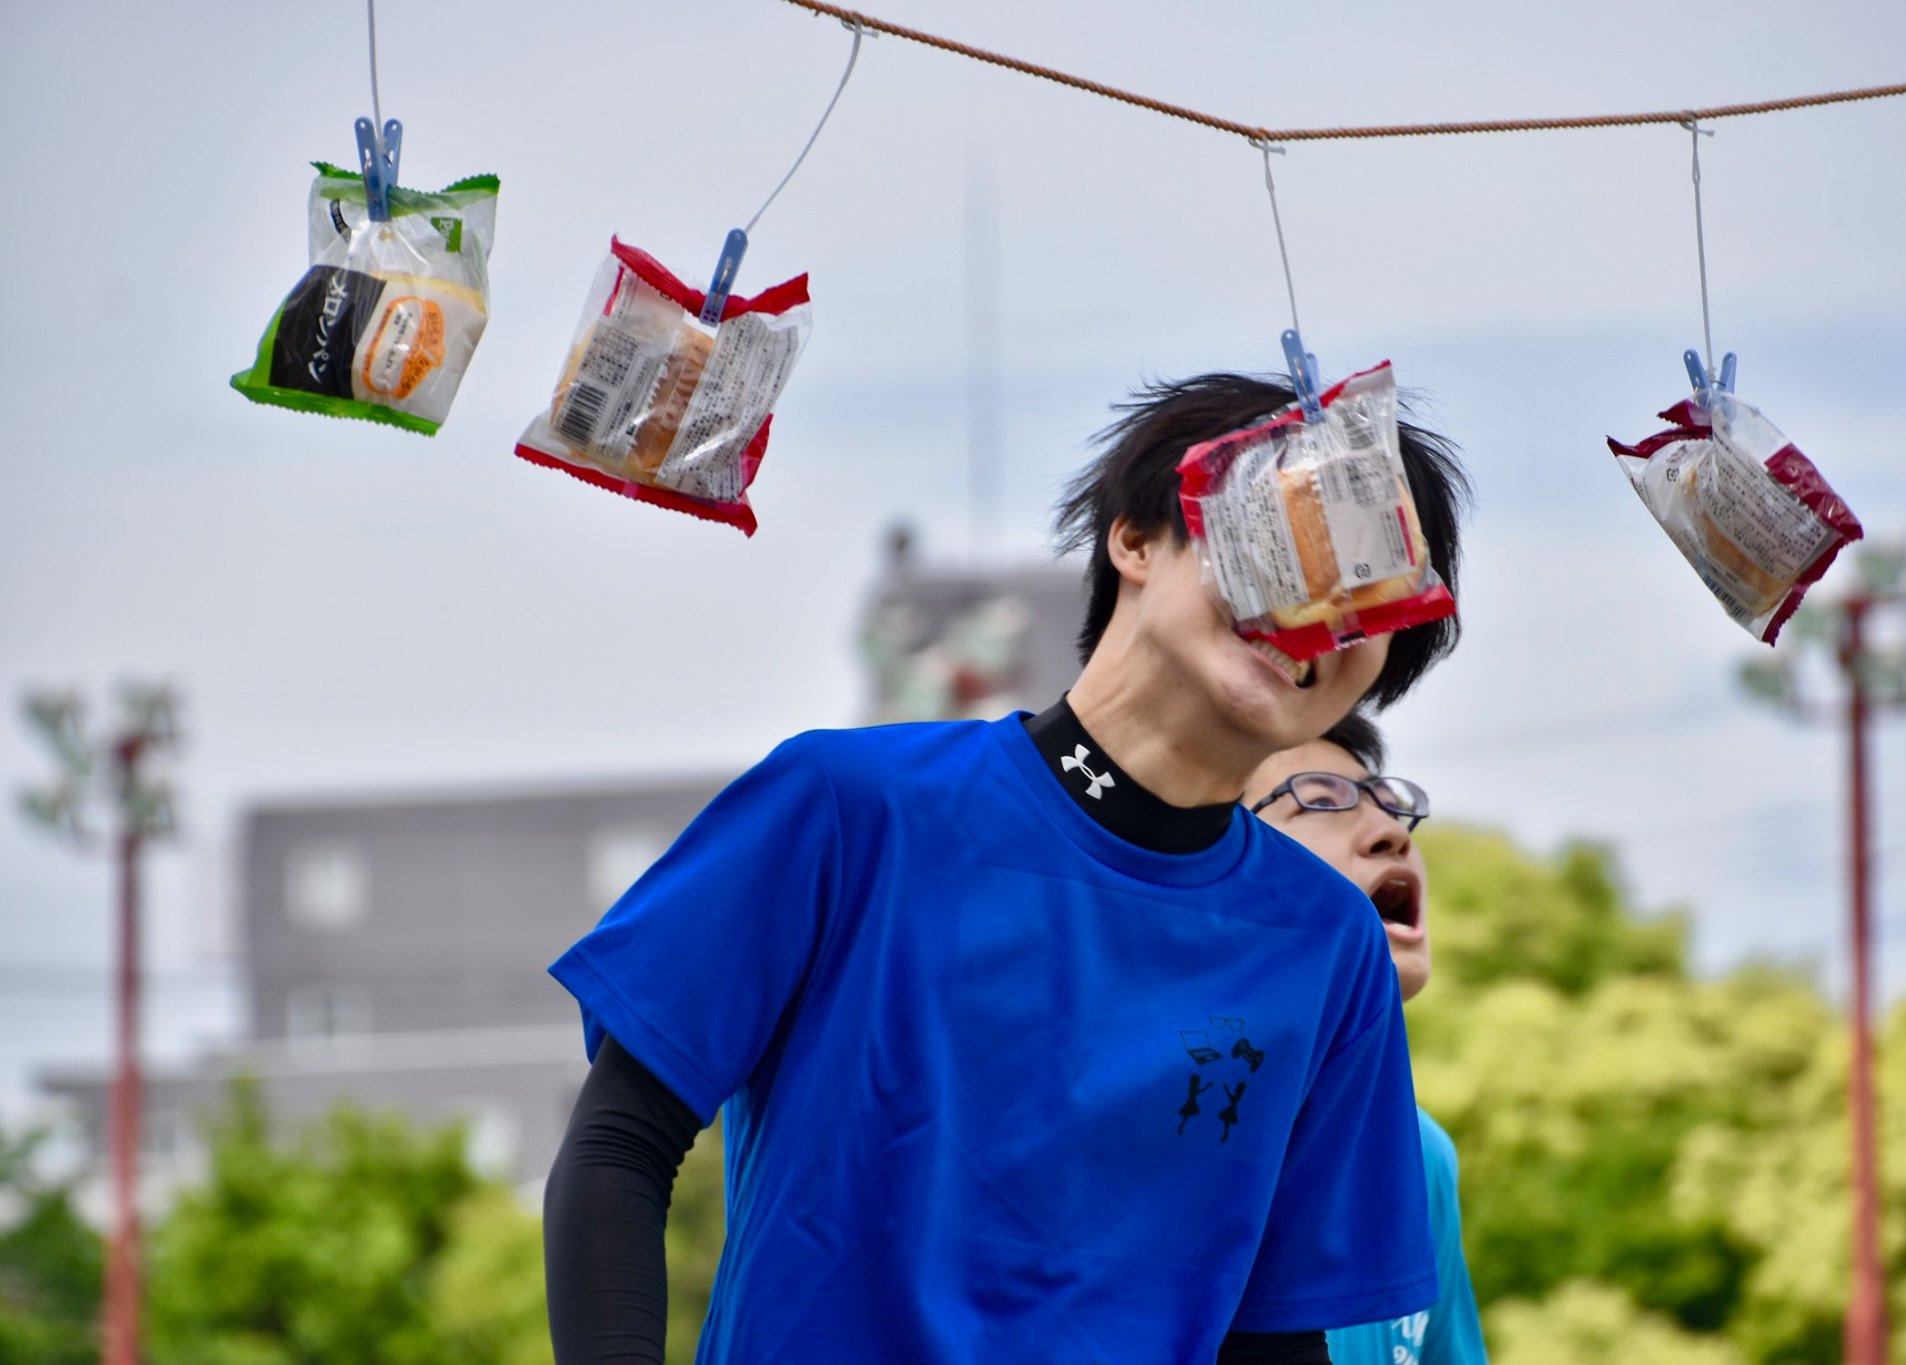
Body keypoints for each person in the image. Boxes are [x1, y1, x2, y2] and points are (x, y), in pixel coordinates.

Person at [542, 372, 1470, 1364]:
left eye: (1375, 584)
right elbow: (619, 1146)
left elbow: (1276, 1336)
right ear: (1134, 538)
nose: (1319, 606)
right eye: (1278, 542)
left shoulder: (1329, 948)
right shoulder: (851, 808)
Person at [1244, 714, 1488, 1365]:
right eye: (1319, 799)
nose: (1391, 833)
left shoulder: (1422, 1155)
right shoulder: (1164, 1134)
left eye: (1388, 802)